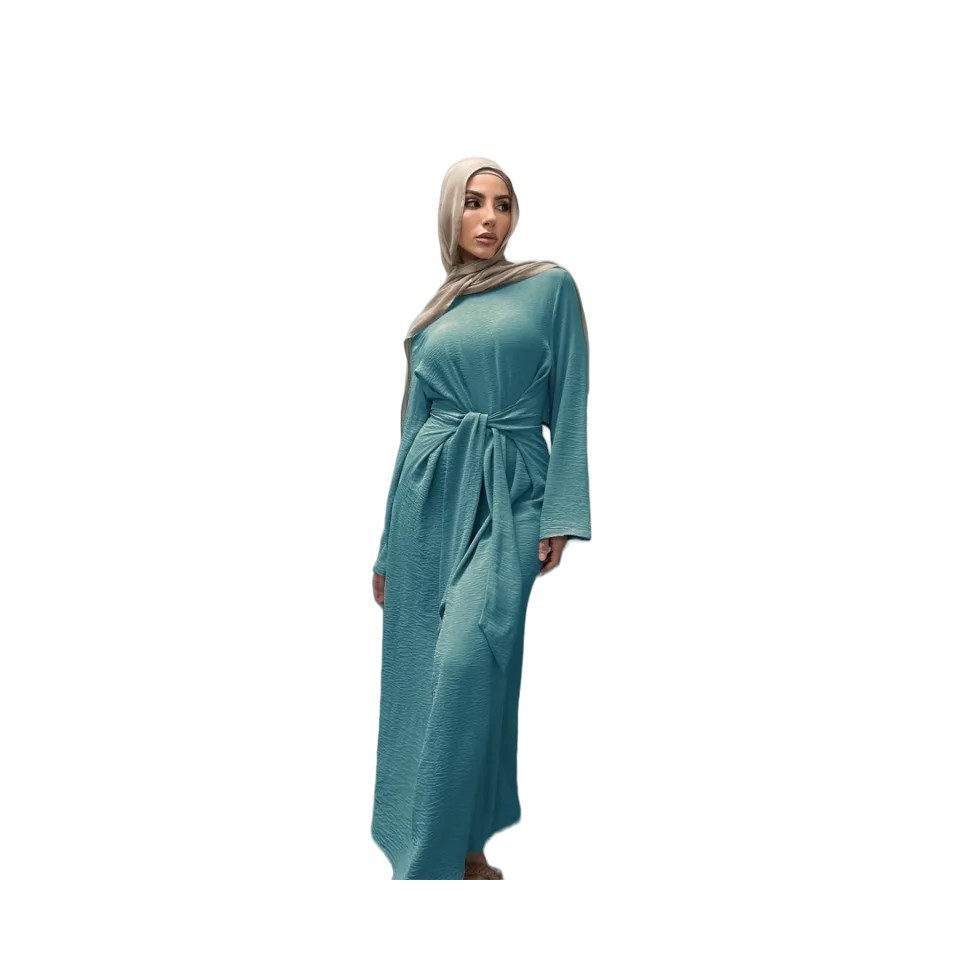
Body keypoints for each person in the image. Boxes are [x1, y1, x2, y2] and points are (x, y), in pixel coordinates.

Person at [370, 156, 592, 880]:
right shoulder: (435, 313)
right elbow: (410, 432)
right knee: (423, 673)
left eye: (502, 203)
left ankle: (429, 865)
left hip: (512, 488)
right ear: (450, 214)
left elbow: (572, 400)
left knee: (467, 660)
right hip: (429, 498)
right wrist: (386, 550)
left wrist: (561, 510)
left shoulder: (549, 286)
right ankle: (462, 849)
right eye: (473, 202)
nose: (490, 218)